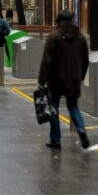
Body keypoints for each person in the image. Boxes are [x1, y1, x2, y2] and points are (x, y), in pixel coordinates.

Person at [38, 11, 91, 150]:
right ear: (71, 20)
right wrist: (81, 76)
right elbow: (86, 60)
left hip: (56, 79)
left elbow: (46, 61)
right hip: (74, 79)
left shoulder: (53, 36)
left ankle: (55, 140)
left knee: (53, 109)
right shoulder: (80, 37)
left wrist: (41, 81)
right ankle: (81, 130)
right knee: (73, 107)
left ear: (58, 20)